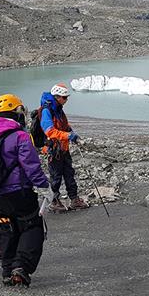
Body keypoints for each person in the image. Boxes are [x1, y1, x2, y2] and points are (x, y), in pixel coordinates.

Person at [0, 94, 53, 288]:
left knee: (7, 229)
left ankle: (7, 271)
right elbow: (31, 167)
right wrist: (45, 188)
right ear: (18, 112)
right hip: (19, 194)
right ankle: (21, 267)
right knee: (32, 227)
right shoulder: (20, 136)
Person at [39, 83, 87, 211]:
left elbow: (62, 125)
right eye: (64, 97)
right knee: (56, 176)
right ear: (57, 97)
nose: (66, 100)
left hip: (63, 148)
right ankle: (54, 201)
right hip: (54, 150)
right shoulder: (47, 111)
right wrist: (68, 135)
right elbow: (49, 131)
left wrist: (70, 131)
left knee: (69, 174)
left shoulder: (58, 108)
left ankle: (74, 199)